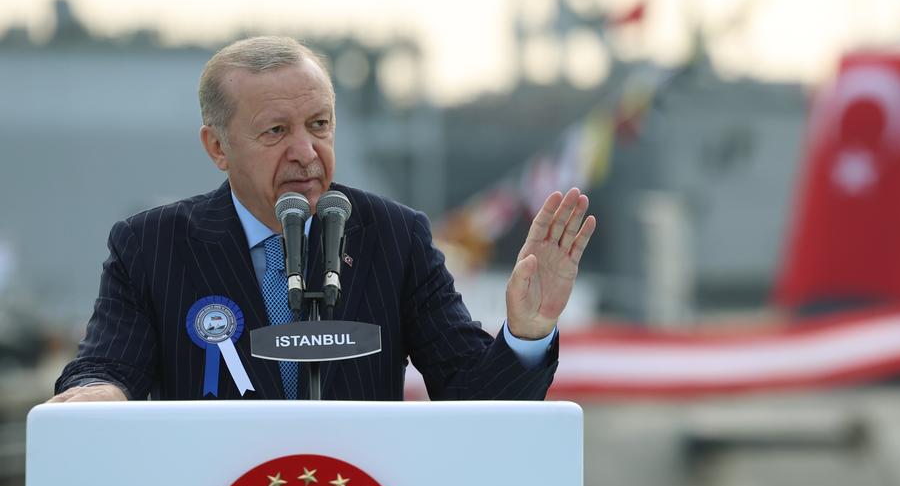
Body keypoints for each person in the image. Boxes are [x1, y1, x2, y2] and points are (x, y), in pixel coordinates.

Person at [49, 36, 595, 402]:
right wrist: (97, 393)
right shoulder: (150, 246)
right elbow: (105, 368)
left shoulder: (393, 237)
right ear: (217, 147)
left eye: (319, 124)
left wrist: (527, 329)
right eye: (275, 132)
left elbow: (473, 394)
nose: (306, 153)